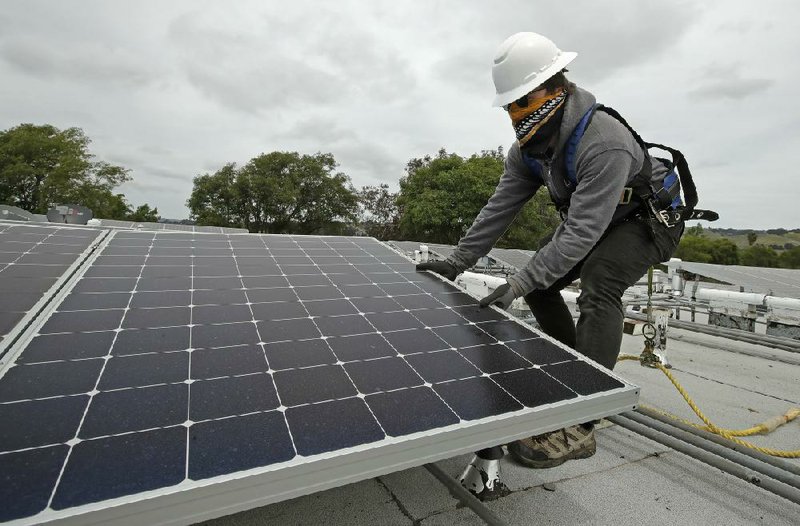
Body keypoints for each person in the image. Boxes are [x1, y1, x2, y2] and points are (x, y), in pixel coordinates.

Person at [416, 32, 686, 468]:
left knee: (599, 285)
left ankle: (583, 418)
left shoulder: (603, 140)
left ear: (555, 86)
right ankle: (570, 370)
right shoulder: (529, 150)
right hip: (597, 220)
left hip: (646, 221)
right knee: (542, 285)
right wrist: (458, 261)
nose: (515, 112)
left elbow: (581, 232)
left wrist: (516, 284)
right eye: (510, 104)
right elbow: (500, 207)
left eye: (524, 99)